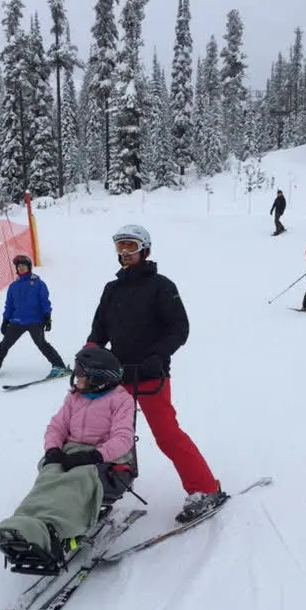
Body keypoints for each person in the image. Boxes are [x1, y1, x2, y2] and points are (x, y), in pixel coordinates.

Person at [85, 223, 226, 524]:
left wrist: (157, 355)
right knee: (104, 434)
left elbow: (179, 329)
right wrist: (90, 354)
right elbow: (99, 330)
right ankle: (104, 489)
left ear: (144, 251)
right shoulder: (112, 289)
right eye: (120, 247)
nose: (124, 253)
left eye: (130, 247)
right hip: (117, 376)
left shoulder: (162, 286)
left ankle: (205, 488)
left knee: (166, 434)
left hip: (150, 375)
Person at [0, 346, 136, 568]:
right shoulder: (75, 398)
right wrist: (52, 449)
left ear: (98, 380)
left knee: (76, 479)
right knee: (49, 474)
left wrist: (94, 455)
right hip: (72, 451)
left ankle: (55, 530)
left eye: (80, 376)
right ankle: (25, 523)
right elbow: (56, 426)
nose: (75, 380)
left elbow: (123, 439)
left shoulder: (121, 400)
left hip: (104, 459)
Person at [0, 254, 70, 384]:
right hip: (17, 321)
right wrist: (5, 320)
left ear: (29, 267)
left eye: (23, 266)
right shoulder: (13, 286)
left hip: (35, 321)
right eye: (18, 267)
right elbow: (9, 305)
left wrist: (47, 317)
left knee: (41, 343)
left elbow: (44, 302)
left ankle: (59, 366)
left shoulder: (38, 284)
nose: (21, 269)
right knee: (5, 343)